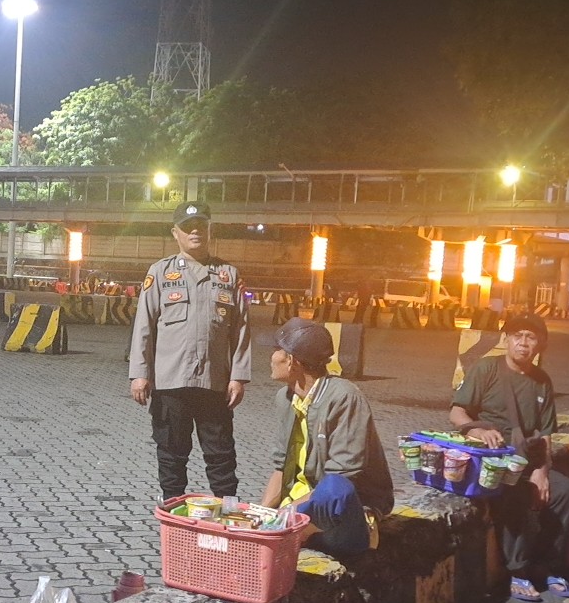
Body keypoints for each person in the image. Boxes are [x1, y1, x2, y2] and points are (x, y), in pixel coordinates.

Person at [448, 313, 569, 602]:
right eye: (517, 336)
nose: (523, 343)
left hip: (525, 460)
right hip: (492, 461)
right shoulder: (486, 369)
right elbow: (457, 413)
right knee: (516, 494)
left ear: (540, 344)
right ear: (506, 340)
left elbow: (545, 434)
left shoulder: (542, 381)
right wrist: (479, 430)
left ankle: (548, 565)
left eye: (530, 337)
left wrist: (542, 472)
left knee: (566, 492)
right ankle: (517, 570)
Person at [129, 201, 252, 501]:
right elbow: (144, 326)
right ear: (176, 233)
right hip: (170, 383)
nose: (195, 231)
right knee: (171, 456)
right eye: (187, 227)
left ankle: (228, 515)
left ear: (210, 229)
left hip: (215, 383)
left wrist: (238, 377)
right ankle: (172, 515)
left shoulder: (228, 275)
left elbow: (241, 329)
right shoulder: (160, 272)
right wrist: (139, 374)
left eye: (201, 225)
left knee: (222, 457)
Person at [261, 319, 395, 559]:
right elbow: (281, 466)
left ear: (292, 361)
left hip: (339, 514)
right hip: (299, 509)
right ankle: (296, 532)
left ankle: (311, 533)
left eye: (276, 350)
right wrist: (260, 516)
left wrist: (288, 513)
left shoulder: (344, 397)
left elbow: (343, 476)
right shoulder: (285, 398)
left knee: (334, 488)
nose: (271, 358)